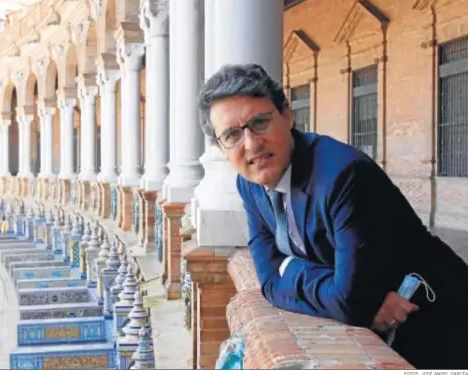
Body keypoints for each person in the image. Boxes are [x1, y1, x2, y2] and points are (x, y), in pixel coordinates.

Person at [197, 63, 468, 369]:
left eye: (260, 122)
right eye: (232, 135)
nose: (251, 143)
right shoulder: (249, 183)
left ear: (287, 115)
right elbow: (269, 280)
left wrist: (292, 270)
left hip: (440, 317)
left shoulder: (343, 175)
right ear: (221, 147)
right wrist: (342, 292)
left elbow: (348, 300)